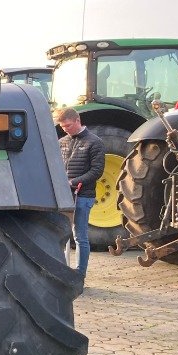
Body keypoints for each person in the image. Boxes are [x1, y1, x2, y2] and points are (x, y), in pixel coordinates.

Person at [55, 108, 105, 284]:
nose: (65, 129)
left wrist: (74, 182)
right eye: (62, 127)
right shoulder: (62, 142)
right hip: (63, 195)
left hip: (83, 195)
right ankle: (59, 271)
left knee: (80, 236)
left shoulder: (95, 142)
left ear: (77, 120)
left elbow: (97, 171)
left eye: (68, 125)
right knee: (59, 233)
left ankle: (80, 275)